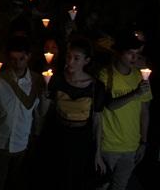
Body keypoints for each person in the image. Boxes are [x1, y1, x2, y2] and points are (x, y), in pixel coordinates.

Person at [0, 36, 50, 190]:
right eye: (13, 59)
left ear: (29, 57)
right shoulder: (0, 78)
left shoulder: (37, 81)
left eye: (21, 58)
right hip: (0, 140)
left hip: (22, 142)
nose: (17, 63)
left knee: (15, 182)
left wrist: (45, 96)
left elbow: (40, 112)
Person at [46, 38, 106, 190]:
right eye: (68, 56)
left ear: (86, 61)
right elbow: (46, 111)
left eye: (76, 58)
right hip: (58, 135)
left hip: (81, 139)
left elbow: (98, 121)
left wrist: (98, 153)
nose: (70, 61)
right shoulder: (57, 80)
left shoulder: (96, 87)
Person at [98, 32, 152, 190]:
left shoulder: (140, 77)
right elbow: (109, 105)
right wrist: (135, 93)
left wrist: (143, 142)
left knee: (120, 186)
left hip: (131, 146)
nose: (134, 58)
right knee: (101, 184)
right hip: (109, 145)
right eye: (130, 53)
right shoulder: (105, 75)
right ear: (119, 53)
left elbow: (145, 112)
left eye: (137, 54)